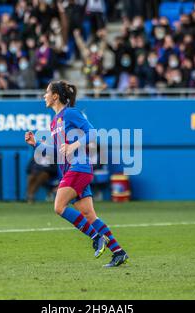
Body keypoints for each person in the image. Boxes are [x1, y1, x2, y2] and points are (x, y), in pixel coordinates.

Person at [25, 80, 129, 268]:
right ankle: (119, 252)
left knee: (59, 206)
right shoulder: (54, 122)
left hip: (78, 168)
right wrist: (36, 145)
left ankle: (97, 237)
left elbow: (93, 132)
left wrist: (74, 145)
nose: (44, 96)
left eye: (47, 92)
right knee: (90, 215)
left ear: (55, 96)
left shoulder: (70, 113)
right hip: (71, 170)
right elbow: (58, 152)